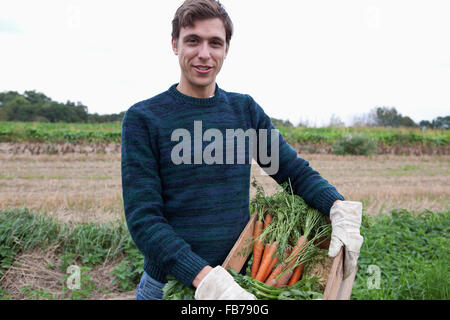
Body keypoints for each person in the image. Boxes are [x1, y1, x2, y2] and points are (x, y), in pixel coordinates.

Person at [121, 0, 363, 300]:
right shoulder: (145, 118)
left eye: (215, 43)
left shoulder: (243, 111)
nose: (204, 54)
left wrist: (339, 208)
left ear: (226, 50)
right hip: (169, 287)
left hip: (237, 282)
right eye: (193, 41)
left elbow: (293, 173)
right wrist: (207, 280)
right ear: (174, 44)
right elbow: (144, 220)